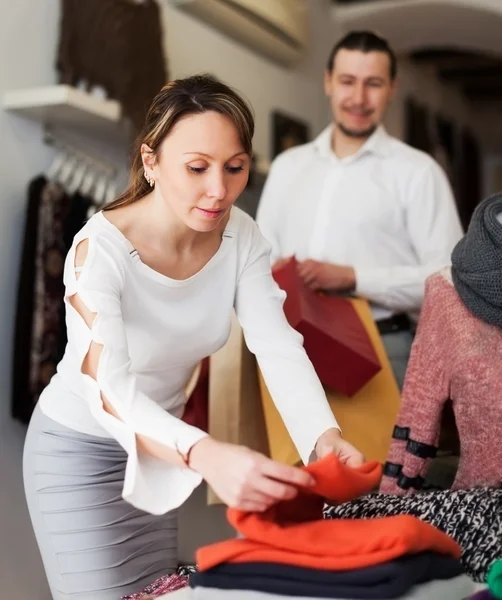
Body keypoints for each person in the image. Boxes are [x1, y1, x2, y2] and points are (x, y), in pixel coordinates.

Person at [22, 74, 364, 600]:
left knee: (162, 594)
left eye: (235, 168)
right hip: (79, 451)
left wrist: (323, 437)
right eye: (197, 168)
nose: (218, 190)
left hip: (165, 449)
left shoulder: (240, 234)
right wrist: (206, 454)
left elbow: (276, 345)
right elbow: (110, 390)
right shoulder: (99, 250)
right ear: (151, 162)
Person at [256, 31, 463, 389]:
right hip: (288, 346)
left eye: (374, 84)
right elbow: (259, 252)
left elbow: (449, 280)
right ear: (328, 82)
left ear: (392, 89)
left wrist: (353, 277)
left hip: (384, 347)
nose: (358, 98)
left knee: (377, 449)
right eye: (348, 81)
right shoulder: (288, 165)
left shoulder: (419, 172)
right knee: (287, 449)